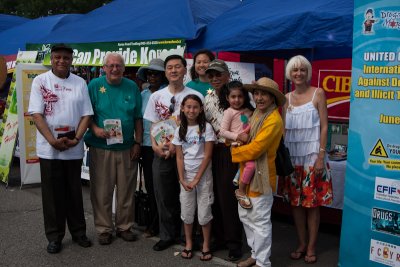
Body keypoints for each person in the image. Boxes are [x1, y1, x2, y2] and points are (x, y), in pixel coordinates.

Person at [28, 44, 93, 254]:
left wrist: (76, 138)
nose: (62, 61)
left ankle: (79, 232)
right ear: (52, 58)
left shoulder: (80, 82)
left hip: (73, 147)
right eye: (58, 57)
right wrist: (52, 141)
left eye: (66, 57)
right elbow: (36, 115)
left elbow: (86, 115)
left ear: (72, 60)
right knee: (53, 195)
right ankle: (55, 236)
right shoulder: (40, 81)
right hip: (50, 149)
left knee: (74, 192)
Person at [143, 54, 204, 251]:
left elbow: (202, 127)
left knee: (188, 195)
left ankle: (186, 235)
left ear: (185, 70)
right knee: (164, 195)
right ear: (166, 72)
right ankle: (167, 234)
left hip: (189, 156)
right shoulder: (156, 96)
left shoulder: (195, 95)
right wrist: (154, 146)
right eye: (170, 67)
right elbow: (153, 125)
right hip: (163, 153)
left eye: (178, 67)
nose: (174, 71)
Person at [84, 52, 143, 245]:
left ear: (124, 68)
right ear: (104, 68)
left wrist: (137, 142)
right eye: (111, 65)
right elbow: (86, 115)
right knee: (101, 190)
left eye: (118, 65)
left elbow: (137, 118)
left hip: (127, 147)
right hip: (101, 147)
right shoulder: (94, 86)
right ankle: (104, 229)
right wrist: (95, 129)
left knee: (126, 190)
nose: (115, 69)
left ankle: (125, 227)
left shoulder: (132, 86)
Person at [280, 55, 333, 264]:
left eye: (302, 69)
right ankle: (301, 243)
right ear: (290, 73)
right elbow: (283, 130)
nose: (299, 73)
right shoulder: (286, 98)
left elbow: (325, 126)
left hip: (312, 158)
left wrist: (321, 156)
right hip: (292, 159)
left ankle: (311, 246)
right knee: (295, 204)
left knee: (312, 205)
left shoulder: (318, 93)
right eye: (295, 70)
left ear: (308, 72)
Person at [232, 77, 285, 267]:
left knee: (260, 222)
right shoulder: (257, 114)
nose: (259, 97)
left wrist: (234, 151)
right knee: (246, 217)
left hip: (261, 178)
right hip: (246, 174)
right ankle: (255, 255)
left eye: (264, 94)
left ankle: (263, 262)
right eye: (256, 93)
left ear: (272, 98)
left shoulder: (273, 119)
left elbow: (256, 149)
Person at [204, 59, 243, 261]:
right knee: (216, 197)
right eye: (211, 75)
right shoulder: (207, 98)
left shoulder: (236, 96)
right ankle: (220, 238)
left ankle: (235, 243)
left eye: (218, 74)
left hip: (233, 150)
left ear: (227, 74)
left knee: (229, 198)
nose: (215, 78)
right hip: (215, 150)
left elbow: (247, 121)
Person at [172, 94, 215, 261]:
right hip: (186, 177)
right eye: (188, 107)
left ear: (201, 109)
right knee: (187, 211)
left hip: (203, 176)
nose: (191, 110)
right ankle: (189, 243)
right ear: (182, 108)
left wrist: (197, 179)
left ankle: (205, 245)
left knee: (204, 212)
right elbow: (179, 157)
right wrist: (182, 179)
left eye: (195, 107)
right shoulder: (179, 129)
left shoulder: (206, 128)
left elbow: (207, 156)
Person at [137, 58, 168, 238]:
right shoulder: (143, 95)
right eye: (150, 73)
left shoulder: (167, 93)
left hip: (165, 146)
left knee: (164, 189)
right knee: (150, 186)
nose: (152, 76)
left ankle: (163, 225)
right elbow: (139, 120)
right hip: (147, 147)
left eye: (156, 73)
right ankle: (153, 224)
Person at [219, 81, 254, 209]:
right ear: (227, 98)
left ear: (245, 97)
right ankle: (241, 189)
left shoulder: (249, 111)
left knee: (248, 166)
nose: (237, 100)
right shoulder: (229, 112)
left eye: (240, 96)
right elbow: (222, 132)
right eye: (233, 97)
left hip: (248, 145)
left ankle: (238, 177)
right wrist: (237, 136)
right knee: (251, 164)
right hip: (237, 146)